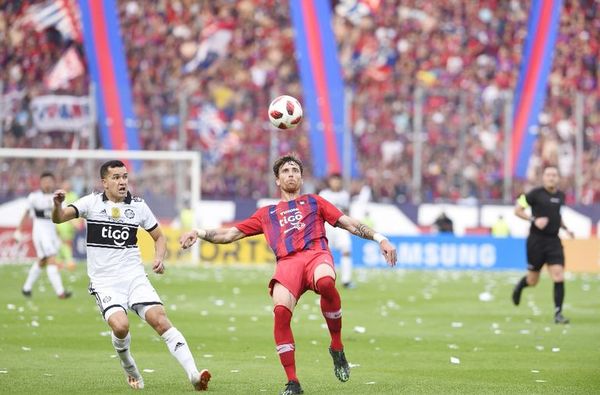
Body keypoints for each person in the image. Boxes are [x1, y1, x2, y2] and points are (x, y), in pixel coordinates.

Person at [179, 154, 397, 395]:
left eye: (295, 170)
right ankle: (293, 382)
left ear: (301, 179)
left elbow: (349, 224)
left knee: (326, 281)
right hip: (288, 263)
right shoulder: (266, 213)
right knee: (281, 312)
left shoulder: (315, 202)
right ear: (277, 180)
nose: (291, 173)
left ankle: (337, 346)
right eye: (285, 171)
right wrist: (197, 232)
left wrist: (380, 238)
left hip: (316, 254)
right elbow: (229, 235)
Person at [51, 160, 210, 391]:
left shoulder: (138, 206)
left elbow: (159, 237)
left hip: (134, 277)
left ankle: (194, 375)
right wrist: (57, 204)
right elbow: (59, 218)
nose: (122, 181)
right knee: (120, 327)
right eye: (116, 177)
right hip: (104, 282)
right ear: (104, 182)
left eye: (124, 176)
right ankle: (129, 367)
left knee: (160, 320)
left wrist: (159, 258)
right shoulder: (91, 203)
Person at [512, 165, 574, 324]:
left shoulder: (561, 196)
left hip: (554, 240)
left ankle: (558, 314)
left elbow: (556, 215)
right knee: (533, 280)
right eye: (548, 175)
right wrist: (533, 220)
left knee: (558, 275)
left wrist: (566, 229)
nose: (551, 177)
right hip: (536, 241)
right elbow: (517, 209)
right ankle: (520, 286)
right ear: (543, 177)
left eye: (554, 175)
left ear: (558, 178)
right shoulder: (534, 194)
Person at [14, 172, 71, 299]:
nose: (47, 184)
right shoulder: (34, 197)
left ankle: (26, 288)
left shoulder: (58, 198)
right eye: (45, 181)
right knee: (51, 258)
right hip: (40, 233)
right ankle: (60, 292)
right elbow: (26, 213)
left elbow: (61, 216)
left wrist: (59, 234)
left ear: (53, 182)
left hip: (51, 233)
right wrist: (19, 230)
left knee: (42, 260)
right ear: (40, 183)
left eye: (49, 181)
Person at [319, 173, 354, 288]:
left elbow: (347, 211)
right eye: (334, 180)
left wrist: (350, 227)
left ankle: (346, 280)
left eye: (338, 181)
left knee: (346, 250)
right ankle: (322, 279)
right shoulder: (323, 194)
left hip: (341, 226)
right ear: (330, 182)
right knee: (324, 253)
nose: (336, 183)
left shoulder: (345, 195)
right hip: (327, 226)